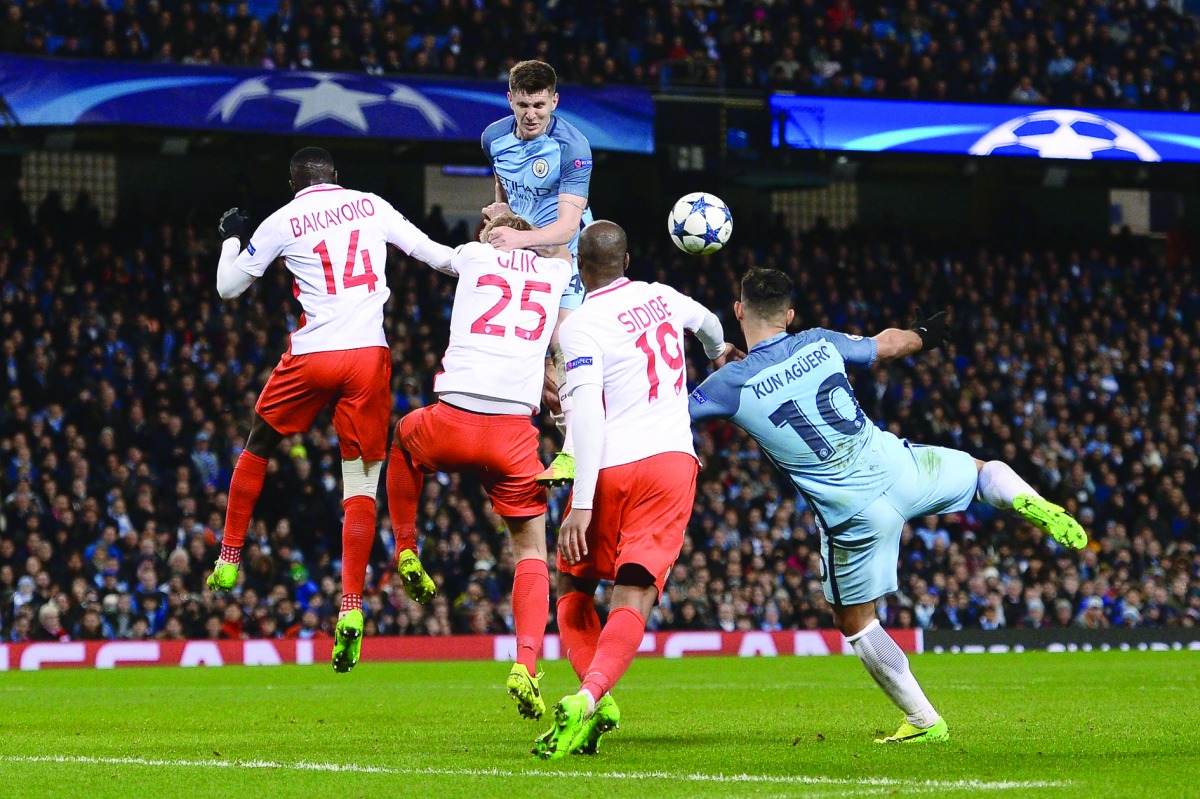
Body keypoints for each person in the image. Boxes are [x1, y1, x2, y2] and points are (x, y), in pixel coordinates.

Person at [689, 267, 1088, 744]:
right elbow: (889, 344)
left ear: (737, 311)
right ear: (790, 316)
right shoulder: (820, 341)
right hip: (898, 467)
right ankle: (1032, 499)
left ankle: (925, 722)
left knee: (855, 622)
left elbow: (670, 418)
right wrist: (923, 334)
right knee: (983, 472)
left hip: (853, 513)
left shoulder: (728, 384)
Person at [208, 146, 454, 674]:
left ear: (295, 183)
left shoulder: (283, 219)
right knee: (360, 484)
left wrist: (232, 236)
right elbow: (433, 253)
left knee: (259, 442)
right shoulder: (369, 204)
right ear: (337, 178)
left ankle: (229, 556)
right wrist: (484, 263)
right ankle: (351, 606)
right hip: (368, 355)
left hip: (313, 353)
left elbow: (229, 288)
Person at [533, 220, 740, 759]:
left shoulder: (578, 328)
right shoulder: (663, 296)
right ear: (627, 262)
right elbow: (712, 325)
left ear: (581, 269)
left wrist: (580, 504)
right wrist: (719, 352)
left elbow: (588, 419)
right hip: (672, 465)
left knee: (573, 587)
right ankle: (591, 695)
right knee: (635, 594)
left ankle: (591, 696)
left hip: (611, 468)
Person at [386, 212, 572, 720]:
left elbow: (422, 248)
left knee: (402, 441)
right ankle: (527, 665)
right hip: (511, 433)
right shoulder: (555, 274)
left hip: (451, 417)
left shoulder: (471, 257)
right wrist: (531, 231)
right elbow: (561, 251)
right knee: (531, 550)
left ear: (486, 237)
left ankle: (405, 547)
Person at [479, 60, 594, 487]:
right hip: (524, 249)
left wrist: (514, 237)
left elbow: (566, 228)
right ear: (510, 100)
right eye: (524, 105)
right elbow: (504, 186)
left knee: (563, 349)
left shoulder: (573, 146)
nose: (531, 115)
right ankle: (573, 438)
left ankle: (577, 456)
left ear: (555, 101)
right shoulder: (493, 136)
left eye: (540, 106)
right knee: (537, 365)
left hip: (566, 254)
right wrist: (505, 213)